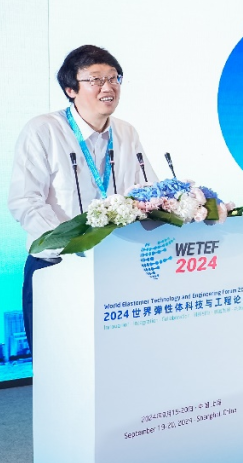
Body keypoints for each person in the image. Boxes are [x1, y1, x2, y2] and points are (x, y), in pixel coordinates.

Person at [8, 45, 157, 351]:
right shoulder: (44, 130)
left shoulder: (126, 132)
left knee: (119, 359)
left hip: (117, 267)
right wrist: (75, 248)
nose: (108, 87)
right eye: (95, 80)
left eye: (113, 78)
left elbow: (147, 191)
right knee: (60, 364)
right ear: (71, 89)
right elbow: (25, 201)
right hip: (57, 266)